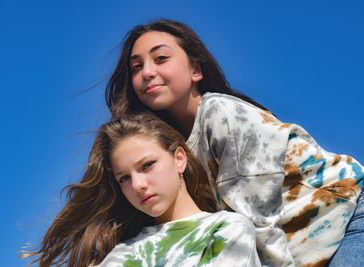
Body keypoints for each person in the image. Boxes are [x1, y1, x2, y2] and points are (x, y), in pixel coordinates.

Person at [105, 19, 364, 267]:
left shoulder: (222, 114)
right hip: (312, 244)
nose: (147, 72)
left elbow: (258, 225)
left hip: (352, 213)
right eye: (136, 67)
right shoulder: (168, 147)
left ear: (196, 70)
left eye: (160, 58)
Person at [24, 113, 261, 267]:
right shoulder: (118, 255)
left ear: (179, 159)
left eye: (147, 165)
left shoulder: (226, 228)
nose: (138, 185)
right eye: (124, 178)